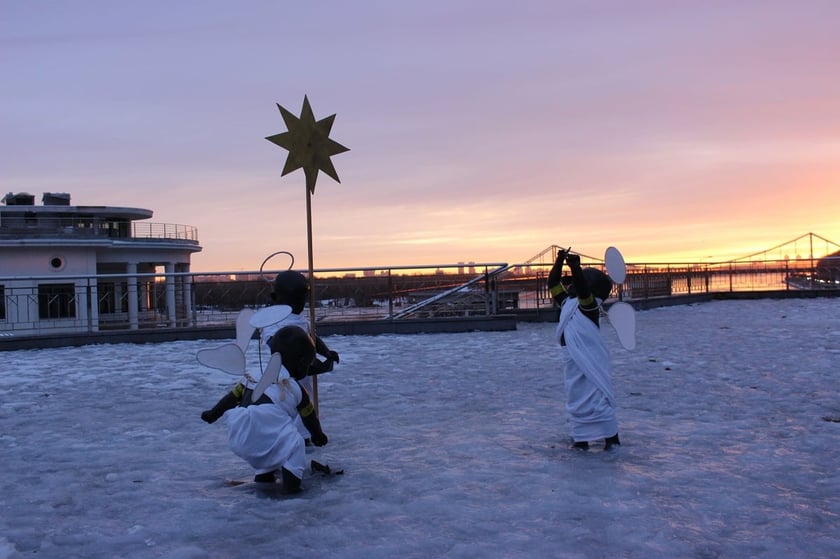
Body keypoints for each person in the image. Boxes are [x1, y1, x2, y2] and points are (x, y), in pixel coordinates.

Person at [224, 325, 328, 492]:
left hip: (239, 432)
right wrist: (318, 436)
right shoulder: (296, 388)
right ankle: (291, 486)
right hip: (267, 436)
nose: (308, 369)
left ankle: (264, 478)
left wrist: (212, 413)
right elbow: (309, 417)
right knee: (294, 444)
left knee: (275, 436)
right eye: (308, 365)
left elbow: (232, 396)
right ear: (301, 361)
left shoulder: (255, 375)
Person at [547, 248, 620, 451]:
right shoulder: (568, 304)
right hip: (573, 361)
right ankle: (582, 440)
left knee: (597, 400)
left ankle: (611, 441)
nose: (571, 283)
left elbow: (583, 292)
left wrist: (575, 268)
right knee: (577, 400)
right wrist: (560, 260)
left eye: (580, 280)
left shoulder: (588, 307)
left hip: (588, 363)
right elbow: (553, 283)